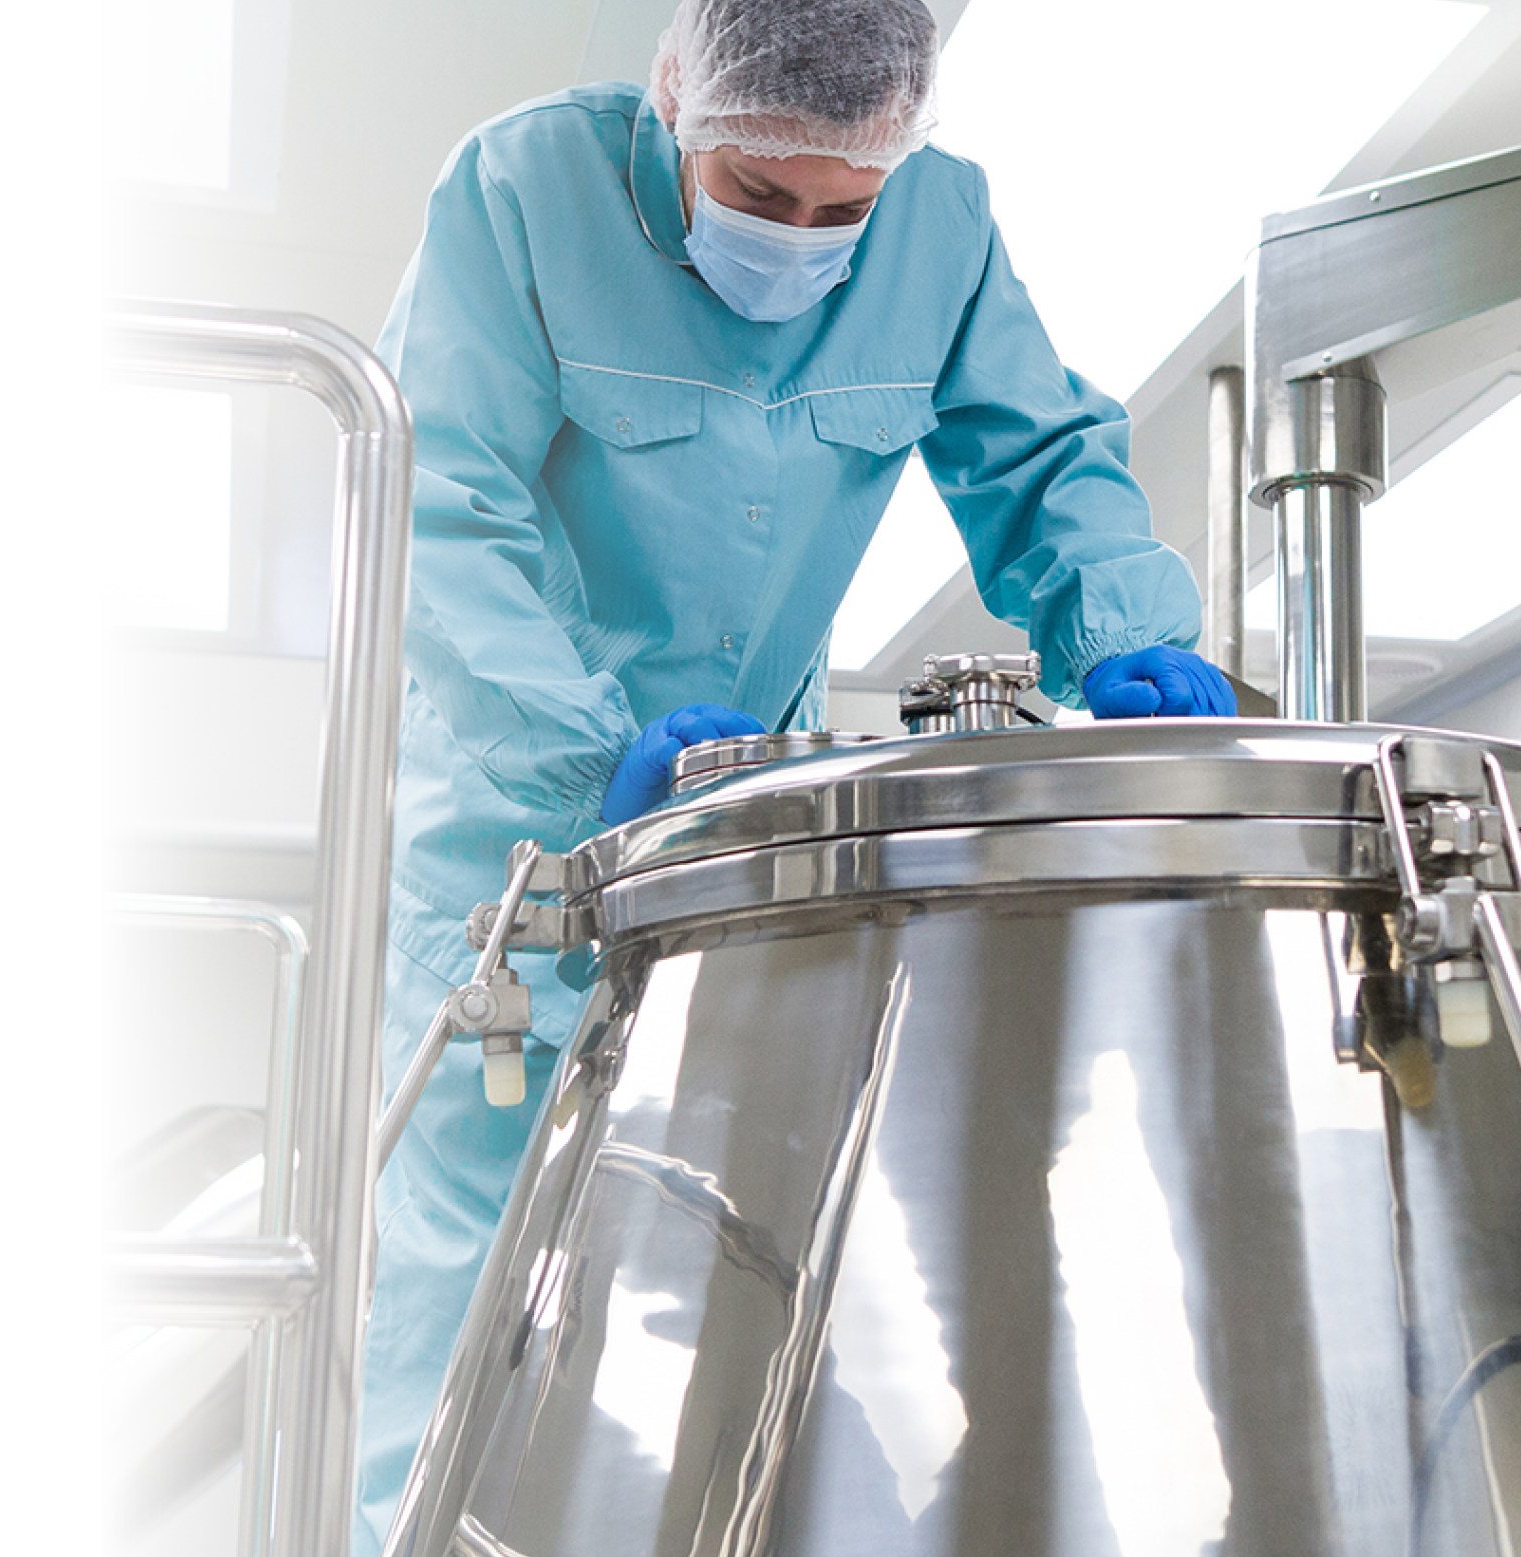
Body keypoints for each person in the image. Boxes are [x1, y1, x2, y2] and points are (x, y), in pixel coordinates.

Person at [354, 0, 1235, 1546]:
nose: (803, 245)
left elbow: (1038, 462)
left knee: (737, 1274)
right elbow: (444, 504)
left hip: (744, 835)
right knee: (463, 1300)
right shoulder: (521, 194)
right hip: (517, 847)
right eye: (761, 197)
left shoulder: (942, 225)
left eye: (846, 209)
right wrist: (579, 762)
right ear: (677, 99)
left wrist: (1129, 634)